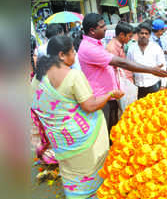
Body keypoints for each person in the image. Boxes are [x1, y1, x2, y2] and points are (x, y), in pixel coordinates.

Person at [31, 35, 125, 198]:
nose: (75, 56)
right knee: (89, 169)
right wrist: (110, 94)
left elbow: (36, 104)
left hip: (60, 139)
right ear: (62, 55)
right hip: (81, 140)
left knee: (70, 172)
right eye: (73, 52)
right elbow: (90, 106)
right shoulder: (73, 75)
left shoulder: (40, 75)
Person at [78, 13, 167, 134]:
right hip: (101, 99)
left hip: (110, 96)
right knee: (107, 131)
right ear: (92, 31)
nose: (106, 28)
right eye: (102, 26)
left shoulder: (97, 44)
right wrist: (151, 70)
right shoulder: (90, 48)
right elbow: (123, 63)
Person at [127, 23, 167, 99]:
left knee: (155, 108)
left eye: (146, 33)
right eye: (142, 33)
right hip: (138, 86)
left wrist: (163, 85)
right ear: (138, 34)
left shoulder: (156, 48)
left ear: (149, 35)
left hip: (154, 84)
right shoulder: (131, 49)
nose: (144, 35)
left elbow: (163, 66)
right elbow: (129, 67)